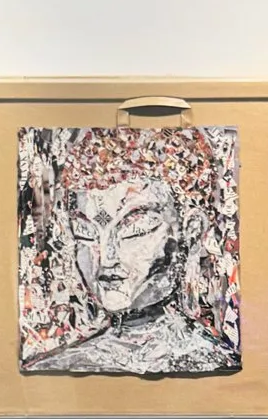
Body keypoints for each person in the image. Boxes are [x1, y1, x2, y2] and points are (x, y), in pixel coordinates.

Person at [22, 138, 238, 377]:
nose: (106, 258)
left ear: (191, 232)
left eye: (135, 231)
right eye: (85, 233)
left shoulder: (215, 364)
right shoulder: (59, 367)